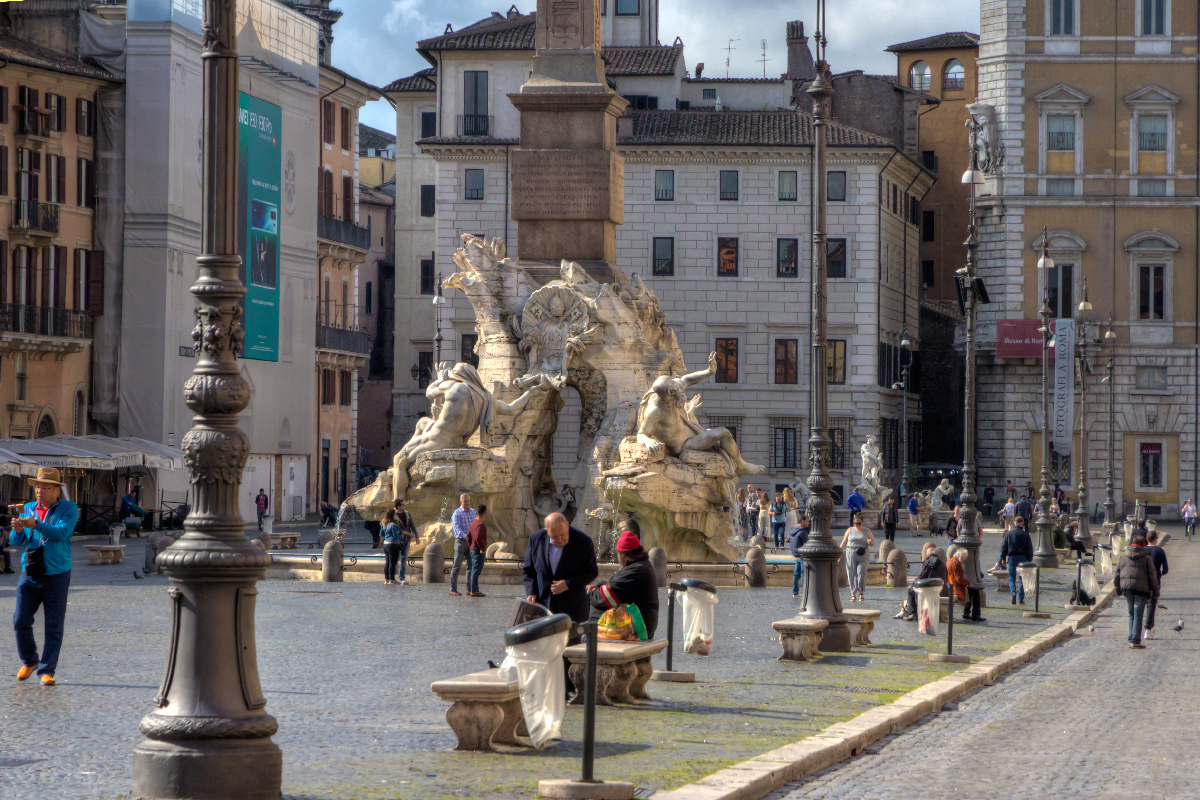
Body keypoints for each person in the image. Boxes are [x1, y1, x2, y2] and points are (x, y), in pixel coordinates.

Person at [9, 467, 80, 686]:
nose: (39, 491)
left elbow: (60, 533)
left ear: (56, 490)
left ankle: (47, 670)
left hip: (57, 574)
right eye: (37, 487)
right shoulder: (28, 508)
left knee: (54, 626)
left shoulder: (69, 509)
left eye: (45, 488)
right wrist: (18, 530)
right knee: (20, 620)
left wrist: (37, 524)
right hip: (30, 573)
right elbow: (14, 542)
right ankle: (30, 660)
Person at [523, 512, 599, 625]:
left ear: (567, 525)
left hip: (572, 609)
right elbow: (529, 570)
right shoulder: (536, 539)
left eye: (562, 534)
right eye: (554, 536)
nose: (559, 539)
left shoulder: (583, 541)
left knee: (573, 642)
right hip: (543, 607)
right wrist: (531, 592)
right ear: (546, 530)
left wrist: (568, 584)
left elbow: (591, 572)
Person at [586, 531, 659, 638]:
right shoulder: (640, 565)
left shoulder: (636, 570)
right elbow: (619, 587)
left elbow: (604, 599)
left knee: (586, 635)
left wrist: (589, 593)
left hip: (638, 629)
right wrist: (600, 586)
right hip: (638, 624)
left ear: (623, 555)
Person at [1115, 533, 1159, 649]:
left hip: (1127, 589)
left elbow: (1117, 574)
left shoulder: (1123, 557)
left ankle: (1131, 638)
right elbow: (1152, 576)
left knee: (1131, 614)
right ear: (1142, 545)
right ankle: (1135, 640)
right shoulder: (1146, 558)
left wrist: (1117, 589)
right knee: (1138, 614)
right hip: (1141, 589)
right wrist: (1156, 592)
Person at [896, 542, 947, 621]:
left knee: (910, 591)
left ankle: (913, 614)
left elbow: (921, 577)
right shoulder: (943, 564)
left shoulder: (927, 562)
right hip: (940, 590)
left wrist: (912, 585)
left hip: (927, 590)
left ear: (927, 555)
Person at [998, 516, 1034, 604]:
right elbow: (1029, 548)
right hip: (1023, 558)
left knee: (1011, 577)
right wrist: (1029, 559)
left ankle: (1013, 592)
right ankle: (1021, 599)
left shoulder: (1009, 534)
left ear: (1014, 522)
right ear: (1022, 523)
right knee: (1022, 578)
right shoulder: (1026, 534)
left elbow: (1003, 547)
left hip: (1012, 557)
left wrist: (1003, 558)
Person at [839, 514, 874, 603]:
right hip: (851, 552)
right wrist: (839, 551)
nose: (856, 525)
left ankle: (861, 592)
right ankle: (853, 593)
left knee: (861, 573)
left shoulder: (867, 530)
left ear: (862, 522)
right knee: (851, 573)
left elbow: (873, 543)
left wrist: (870, 542)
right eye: (855, 523)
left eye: (858, 523)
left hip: (863, 553)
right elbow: (844, 541)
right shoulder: (849, 530)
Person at [449, 493, 476, 597]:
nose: (467, 503)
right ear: (461, 502)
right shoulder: (457, 512)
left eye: (468, 501)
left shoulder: (473, 512)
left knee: (470, 566)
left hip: (471, 542)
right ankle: (453, 589)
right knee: (456, 566)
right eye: (465, 501)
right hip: (460, 541)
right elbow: (456, 528)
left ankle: (469, 589)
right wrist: (467, 536)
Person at [1143, 531, 1168, 640]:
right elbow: (1166, 569)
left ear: (1147, 539)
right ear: (1156, 539)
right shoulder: (1160, 551)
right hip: (1155, 580)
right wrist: (1160, 574)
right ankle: (1148, 630)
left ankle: (1151, 629)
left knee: (1146, 605)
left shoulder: (1143, 550)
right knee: (1151, 605)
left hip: (1143, 580)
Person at [947, 551, 984, 622]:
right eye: (965, 559)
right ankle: (976, 615)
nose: (965, 561)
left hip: (952, 586)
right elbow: (959, 579)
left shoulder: (950, 561)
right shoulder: (957, 563)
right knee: (975, 592)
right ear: (961, 557)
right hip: (957, 588)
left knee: (969, 591)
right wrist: (967, 582)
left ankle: (967, 613)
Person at [466, 505, 488, 597]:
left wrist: (471, 545)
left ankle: (471, 589)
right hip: (478, 551)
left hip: (472, 549)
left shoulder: (473, 522)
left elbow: (468, 536)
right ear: (484, 513)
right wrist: (482, 548)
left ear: (476, 513)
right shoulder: (481, 524)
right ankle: (474, 591)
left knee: (473, 570)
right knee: (476, 571)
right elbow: (479, 537)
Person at [380, 509, 404, 585]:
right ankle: (392, 579)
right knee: (393, 563)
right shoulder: (393, 525)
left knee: (387, 562)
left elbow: (382, 534)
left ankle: (386, 580)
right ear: (392, 515)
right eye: (396, 514)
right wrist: (401, 535)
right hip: (393, 544)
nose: (397, 516)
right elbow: (395, 536)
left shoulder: (384, 524)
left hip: (386, 544)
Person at [789, 515, 810, 597]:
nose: (808, 523)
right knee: (803, 575)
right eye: (807, 521)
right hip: (802, 556)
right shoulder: (803, 532)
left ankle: (795, 592)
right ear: (802, 521)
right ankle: (805, 592)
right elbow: (806, 545)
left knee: (796, 575)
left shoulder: (793, 531)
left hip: (796, 556)